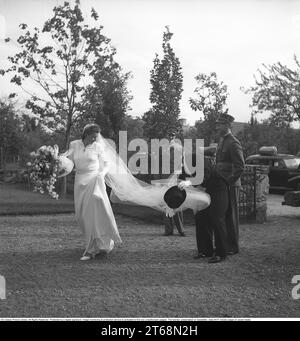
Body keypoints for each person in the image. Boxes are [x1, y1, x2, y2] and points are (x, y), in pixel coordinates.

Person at [65, 124, 122, 261]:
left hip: (94, 181)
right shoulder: (75, 144)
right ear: (86, 134)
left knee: (92, 215)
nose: (94, 140)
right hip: (80, 182)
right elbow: (68, 162)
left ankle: (91, 250)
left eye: (96, 137)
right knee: (81, 216)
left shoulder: (98, 146)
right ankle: (102, 244)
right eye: (92, 137)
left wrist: (102, 174)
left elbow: (107, 164)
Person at [215, 113, 245, 255]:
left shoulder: (233, 143)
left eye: (220, 124)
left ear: (227, 126)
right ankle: (225, 244)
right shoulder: (222, 141)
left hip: (230, 185)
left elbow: (240, 166)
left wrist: (229, 182)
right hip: (222, 184)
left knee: (231, 215)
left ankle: (233, 246)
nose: (217, 126)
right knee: (224, 214)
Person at [163, 131, 185, 237]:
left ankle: (179, 229)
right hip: (170, 175)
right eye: (169, 135)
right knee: (169, 202)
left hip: (175, 175)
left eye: (172, 135)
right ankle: (170, 229)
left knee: (175, 201)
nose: (170, 137)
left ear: (175, 136)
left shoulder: (175, 147)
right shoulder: (167, 147)